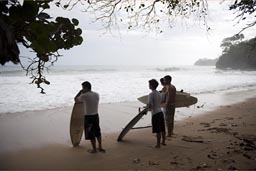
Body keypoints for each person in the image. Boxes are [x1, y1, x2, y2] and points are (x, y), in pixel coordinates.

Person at [74, 81, 105, 153]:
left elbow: (76, 100)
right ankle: (100, 147)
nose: (82, 89)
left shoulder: (84, 96)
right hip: (96, 116)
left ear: (86, 88)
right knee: (98, 132)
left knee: (91, 133)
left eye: (83, 88)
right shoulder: (97, 94)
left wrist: (80, 92)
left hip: (88, 117)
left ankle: (94, 150)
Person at [147, 79, 166, 148]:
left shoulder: (151, 94)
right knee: (162, 128)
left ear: (151, 86)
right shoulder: (159, 93)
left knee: (158, 130)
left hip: (155, 113)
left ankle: (158, 144)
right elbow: (161, 102)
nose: (148, 86)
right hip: (160, 112)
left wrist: (147, 108)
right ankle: (163, 141)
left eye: (149, 84)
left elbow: (150, 106)